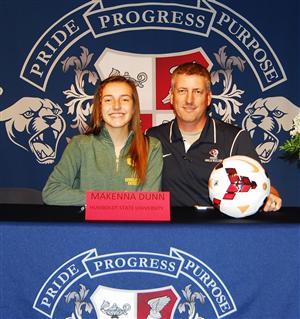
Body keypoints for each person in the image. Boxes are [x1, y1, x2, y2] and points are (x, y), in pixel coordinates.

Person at [147, 62, 282, 211]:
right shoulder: (153, 137)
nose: (189, 100)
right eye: (182, 91)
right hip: (169, 231)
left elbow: (262, 185)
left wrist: (271, 197)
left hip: (220, 231)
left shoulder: (234, 138)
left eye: (197, 91)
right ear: (172, 97)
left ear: (208, 98)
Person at [43, 75, 163, 206]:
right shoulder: (80, 144)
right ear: (99, 107)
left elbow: (150, 204)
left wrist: (99, 200)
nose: (116, 106)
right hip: (88, 227)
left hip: (133, 227)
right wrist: (105, 200)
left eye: (124, 99)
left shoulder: (152, 146)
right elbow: (52, 192)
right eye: (108, 100)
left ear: (134, 107)